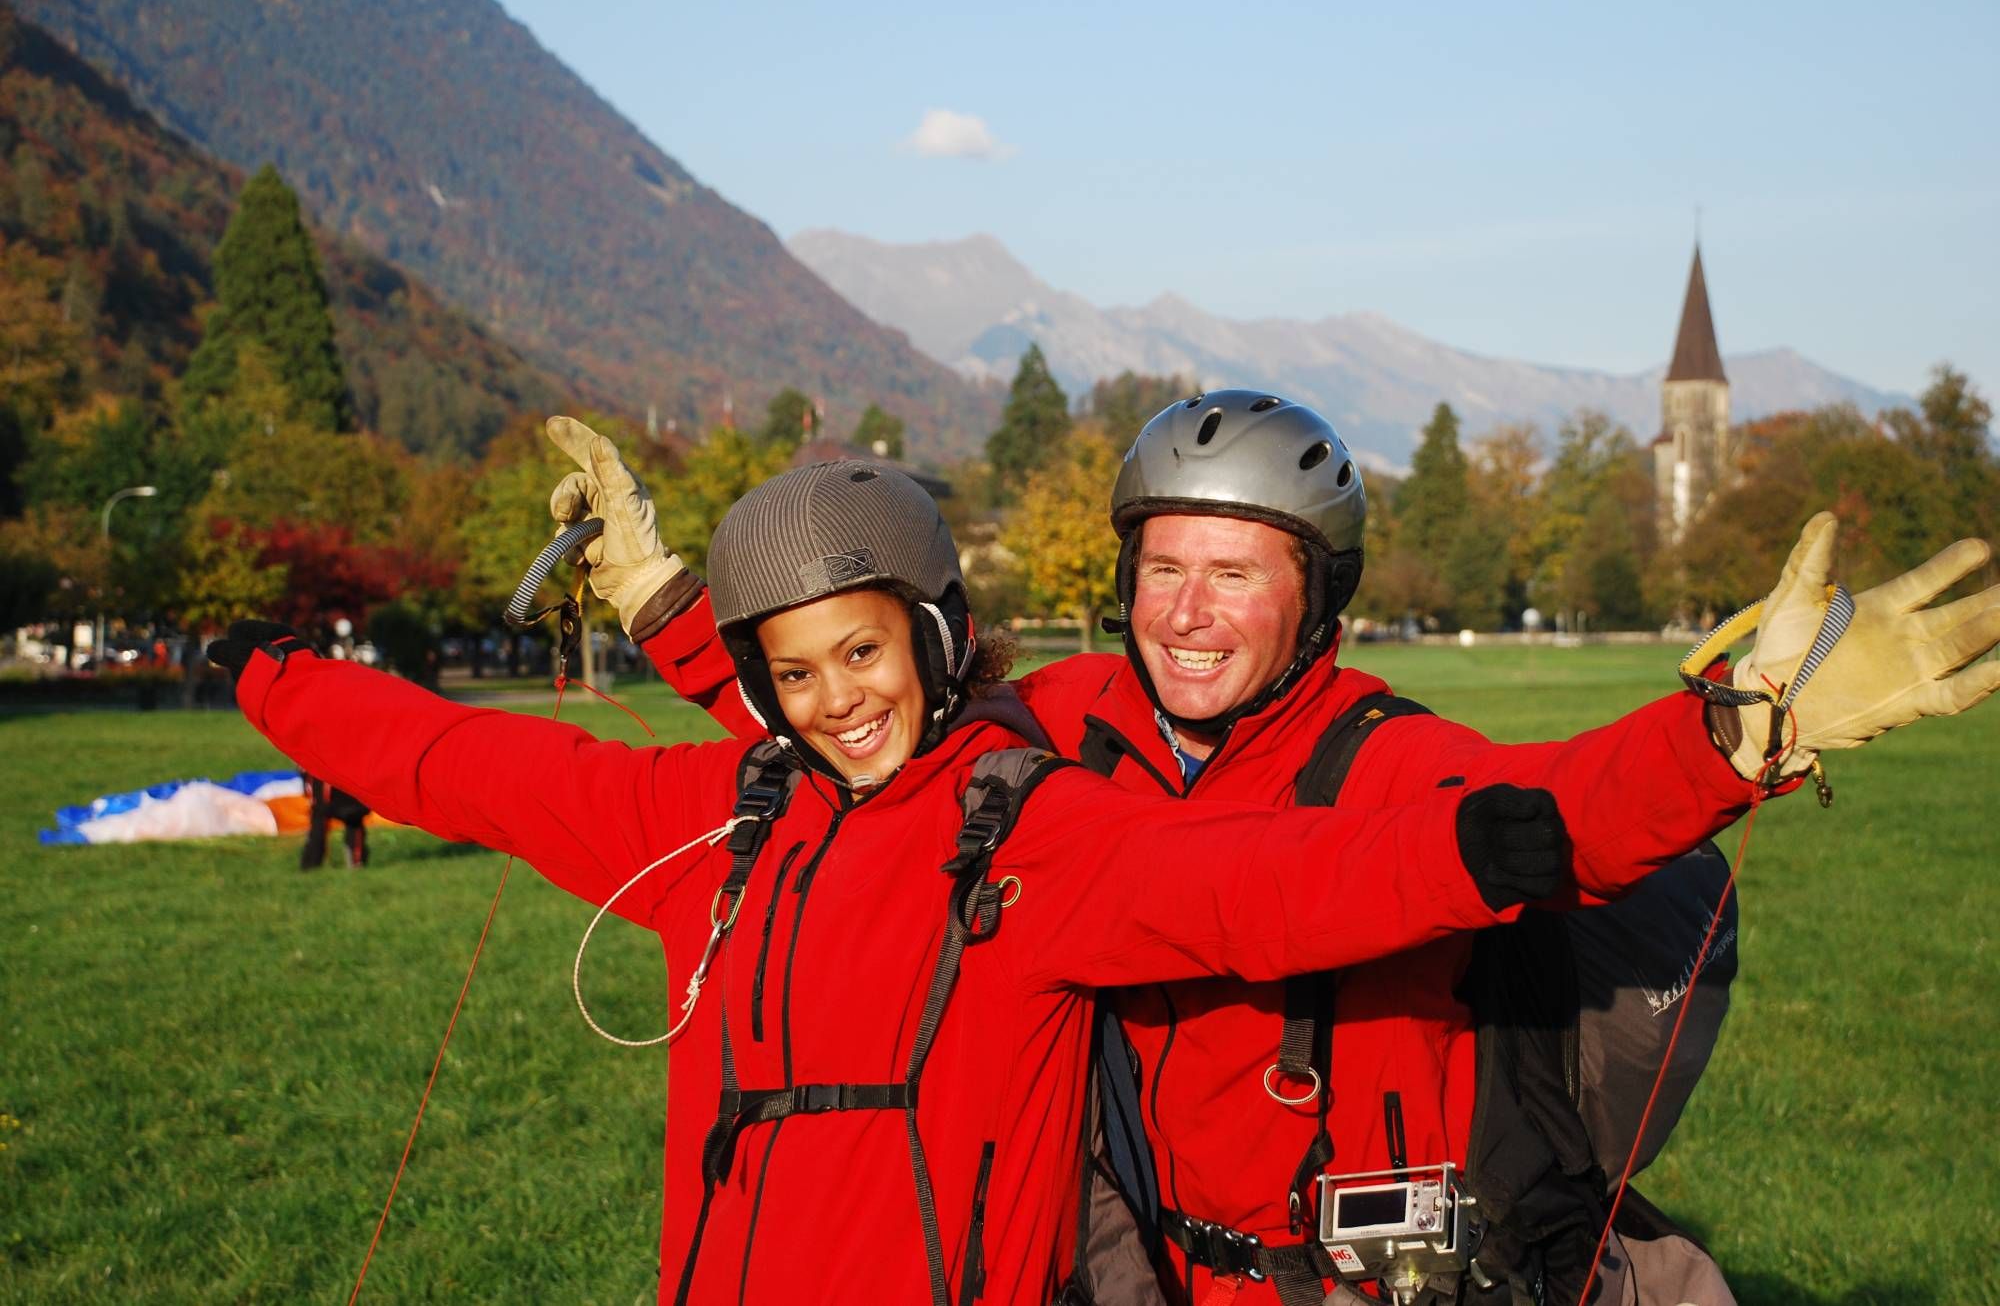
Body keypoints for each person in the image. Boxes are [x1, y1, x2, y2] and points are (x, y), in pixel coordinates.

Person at [561, 397, 2000, 1305]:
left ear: (1315, 600)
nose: (1187, 612)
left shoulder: (1396, 758)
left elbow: (1562, 811)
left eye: (1235, 571)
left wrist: (1734, 739)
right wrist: (665, 598)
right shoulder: (1061, 725)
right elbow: (859, 726)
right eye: (1161, 568)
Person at [207, 459, 1619, 1306]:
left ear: (940, 641)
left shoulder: (1039, 826)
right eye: (795, 675)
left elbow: (1259, 875)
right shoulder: (715, 821)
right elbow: (471, 760)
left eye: (870, 656)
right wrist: (274, 676)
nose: (836, 701)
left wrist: (1700, 745)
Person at [299, 770, 369, 870]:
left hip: (330, 784)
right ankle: (356, 863)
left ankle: (311, 865)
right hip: (348, 782)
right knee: (353, 819)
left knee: (321, 818)